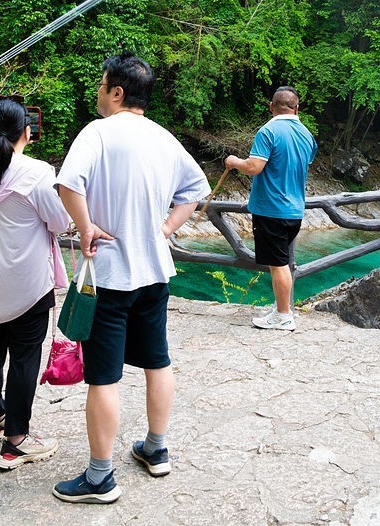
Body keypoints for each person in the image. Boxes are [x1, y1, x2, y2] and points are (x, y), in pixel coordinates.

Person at [52, 52, 209, 505]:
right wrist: (163, 231)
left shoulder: (98, 132)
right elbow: (195, 191)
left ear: (116, 92)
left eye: (102, 86)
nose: (98, 93)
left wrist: (86, 229)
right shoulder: (164, 138)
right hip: (154, 274)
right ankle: (156, 449)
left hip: (110, 277)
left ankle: (100, 478)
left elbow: (68, 184)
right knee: (157, 361)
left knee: (104, 377)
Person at [0, 98, 71, 471]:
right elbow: (58, 222)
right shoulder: (36, 172)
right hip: (27, 281)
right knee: (24, 356)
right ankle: (17, 441)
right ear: (27, 131)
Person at [224, 86, 317, 332]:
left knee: (278, 264)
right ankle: (282, 309)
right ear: (297, 108)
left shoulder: (268, 131)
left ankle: (283, 315)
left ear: (271, 107)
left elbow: (254, 166)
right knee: (282, 261)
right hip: (295, 210)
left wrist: (234, 162)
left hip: (271, 210)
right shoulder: (307, 135)